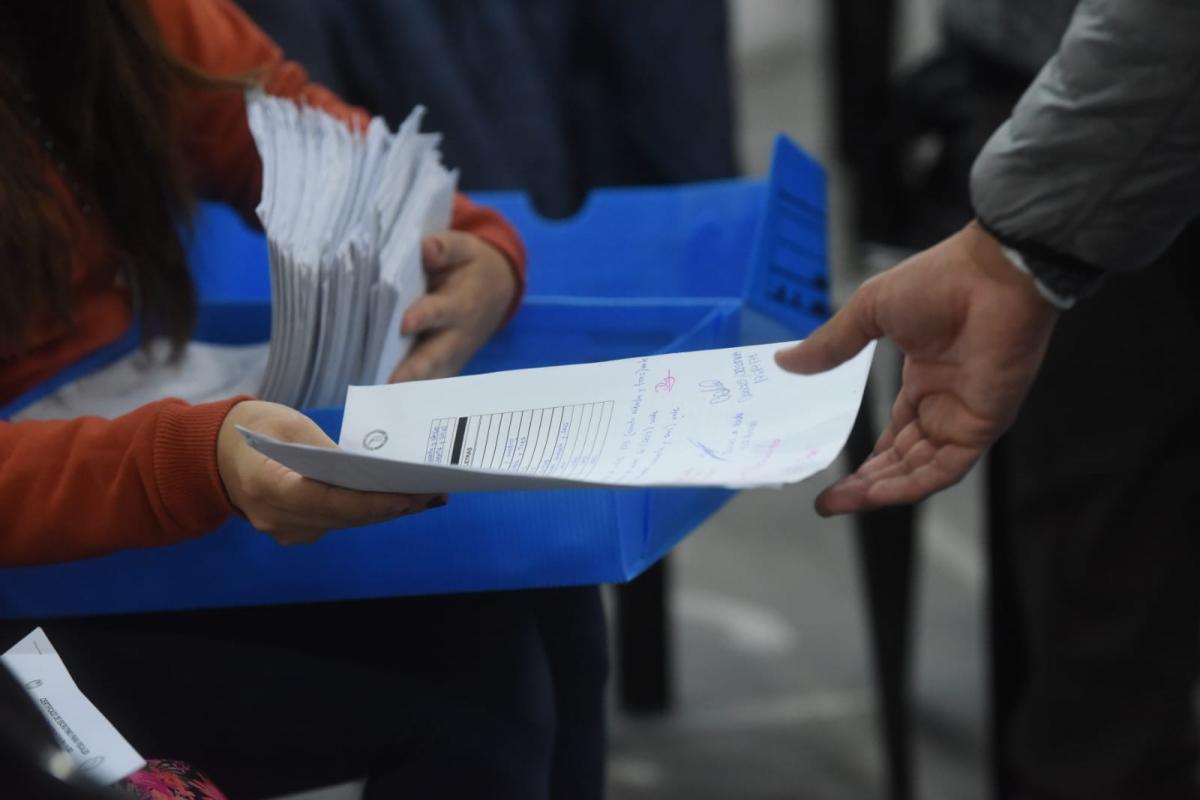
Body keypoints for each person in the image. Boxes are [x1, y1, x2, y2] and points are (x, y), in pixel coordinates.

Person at [0, 1, 603, 797]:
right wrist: (192, 460)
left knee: (540, 582)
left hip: (123, 457)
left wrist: (472, 247)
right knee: (468, 699)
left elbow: (291, 129)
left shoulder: (127, 19)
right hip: (39, 561)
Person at [779, 2, 1200, 798]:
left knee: (1101, 654)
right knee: (1083, 609)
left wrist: (1019, 245)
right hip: (1066, 98)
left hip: (1092, 104)